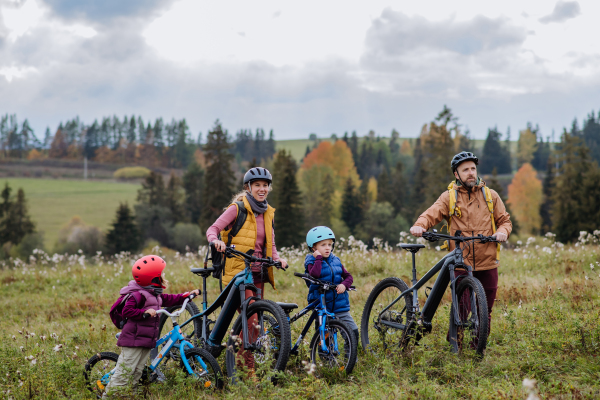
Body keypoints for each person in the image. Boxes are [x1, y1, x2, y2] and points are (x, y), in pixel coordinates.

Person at [409, 151, 512, 335]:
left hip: (487, 260)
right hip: (461, 262)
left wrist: (502, 231)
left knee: (484, 311)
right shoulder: (449, 197)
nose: (471, 173)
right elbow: (431, 214)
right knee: (461, 309)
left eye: (473, 168)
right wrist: (419, 225)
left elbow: (505, 220)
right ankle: (457, 345)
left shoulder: (491, 195)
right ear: (457, 174)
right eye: (465, 170)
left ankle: (477, 352)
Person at [206, 167, 287, 373]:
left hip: (259, 272)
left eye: (265, 185)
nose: (262, 189)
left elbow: (271, 243)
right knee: (251, 322)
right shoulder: (238, 208)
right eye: (257, 185)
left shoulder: (269, 213)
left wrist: (277, 259)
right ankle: (246, 369)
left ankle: (236, 361)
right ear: (248, 187)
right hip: (238, 273)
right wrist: (216, 242)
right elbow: (212, 229)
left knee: (255, 322)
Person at [104, 255, 199, 397]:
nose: (163, 276)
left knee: (136, 373)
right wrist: (144, 312)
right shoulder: (137, 295)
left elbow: (168, 299)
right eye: (161, 274)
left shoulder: (153, 294)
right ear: (153, 279)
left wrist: (185, 296)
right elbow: (127, 311)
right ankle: (108, 397)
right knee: (124, 374)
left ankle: (130, 396)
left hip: (145, 340)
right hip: (133, 340)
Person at [304, 226, 358, 344]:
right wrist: (318, 258)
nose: (327, 248)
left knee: (353, 331)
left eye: (329, 244)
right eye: (323, 245)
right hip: (322, 307)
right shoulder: (311, 261)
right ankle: (326, 360)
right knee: (325, 338)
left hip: (340, 305)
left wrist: (344, 285)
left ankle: (350, 357)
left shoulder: (336, 260)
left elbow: (349, 277)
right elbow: (315, 275)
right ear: (314, 247)